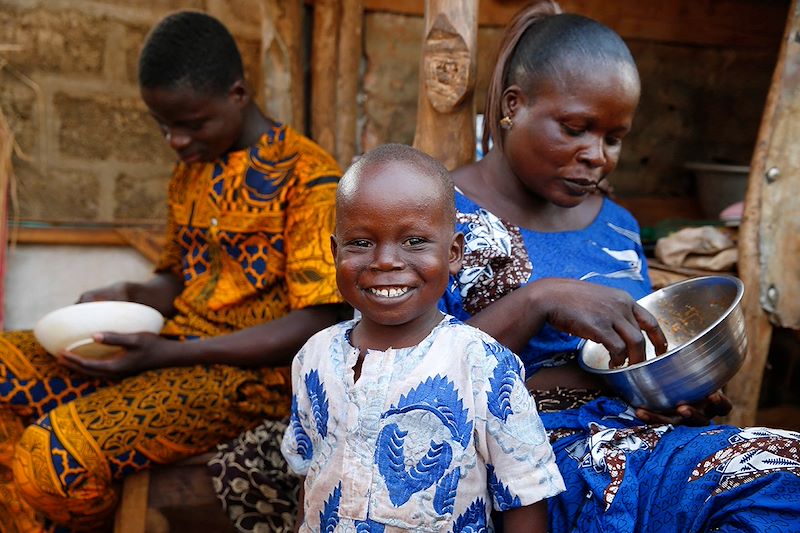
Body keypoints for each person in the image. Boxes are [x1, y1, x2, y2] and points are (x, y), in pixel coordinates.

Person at [440, 3, 800, 532]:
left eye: (613, 137)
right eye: (576, 128)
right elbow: (405, 370)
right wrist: (540, 299)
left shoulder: (620, 228)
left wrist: (672, 394)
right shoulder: (438, 214)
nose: (597, 155)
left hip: (634, 448)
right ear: (514, 106)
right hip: (521, 469)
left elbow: (638, 353)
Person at [0, 11, 346, 532]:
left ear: (237, 93)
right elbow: (179, 279)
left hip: (253, 382)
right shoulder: (192, 172)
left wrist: (172, 354)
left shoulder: (309, 178)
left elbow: (319, 321)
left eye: (191, 124)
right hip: (174, 352)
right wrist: (130, 293)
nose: (176, 143)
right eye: (164, 127)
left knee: (52, 457)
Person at [281, 143, 565, 532]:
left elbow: (524, 498)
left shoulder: (481, 364)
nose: (385, 261)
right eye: (361, 242)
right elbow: (308, 481)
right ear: (334, 251)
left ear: (453, 252)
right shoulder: (314, 357)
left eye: (414, 241)